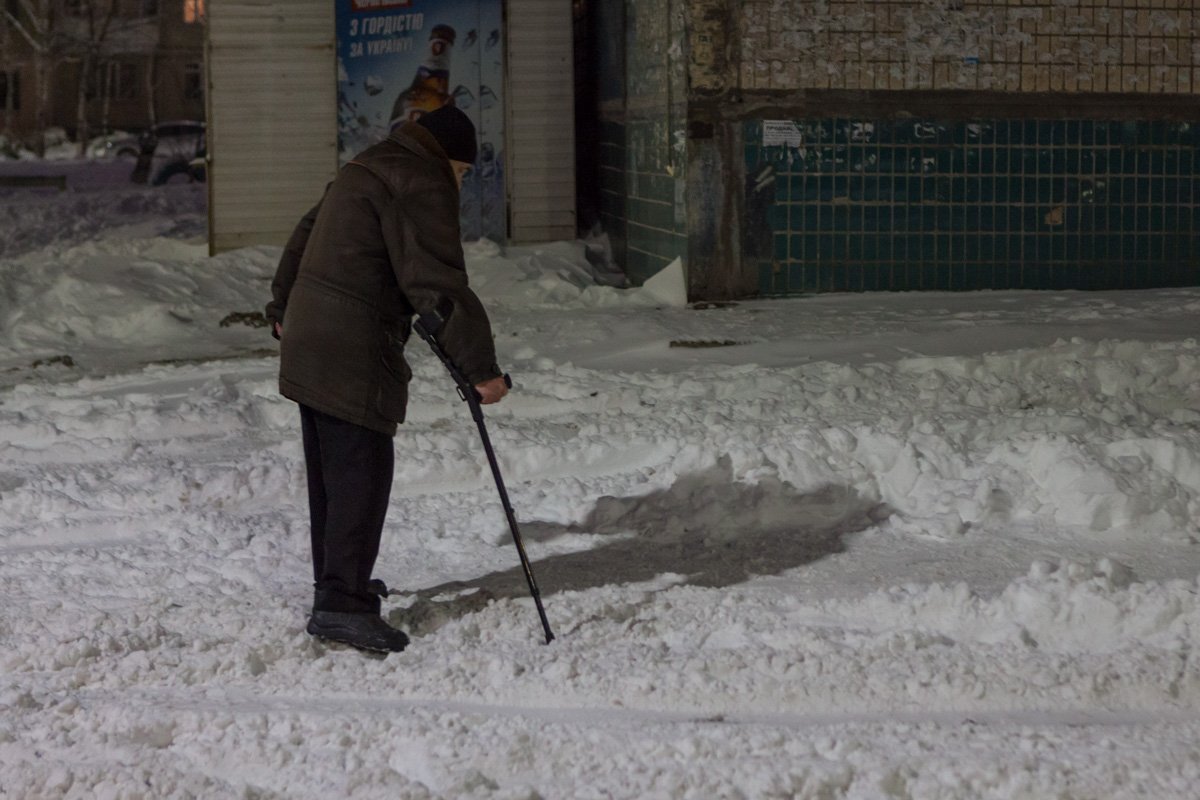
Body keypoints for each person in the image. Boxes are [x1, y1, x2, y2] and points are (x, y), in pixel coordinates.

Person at [265, 104, 508, 653]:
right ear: (446, 158)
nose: (461, 183)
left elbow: (305, 235)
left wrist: (282, 305)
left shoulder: (369, 165)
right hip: (353, 341)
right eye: (463, 172)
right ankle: (341, 605)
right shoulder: (421, 179)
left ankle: (338, 583)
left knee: (333, 472)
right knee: (362, 471)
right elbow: (436, 281)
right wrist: (481, 371)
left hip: (311, 333)